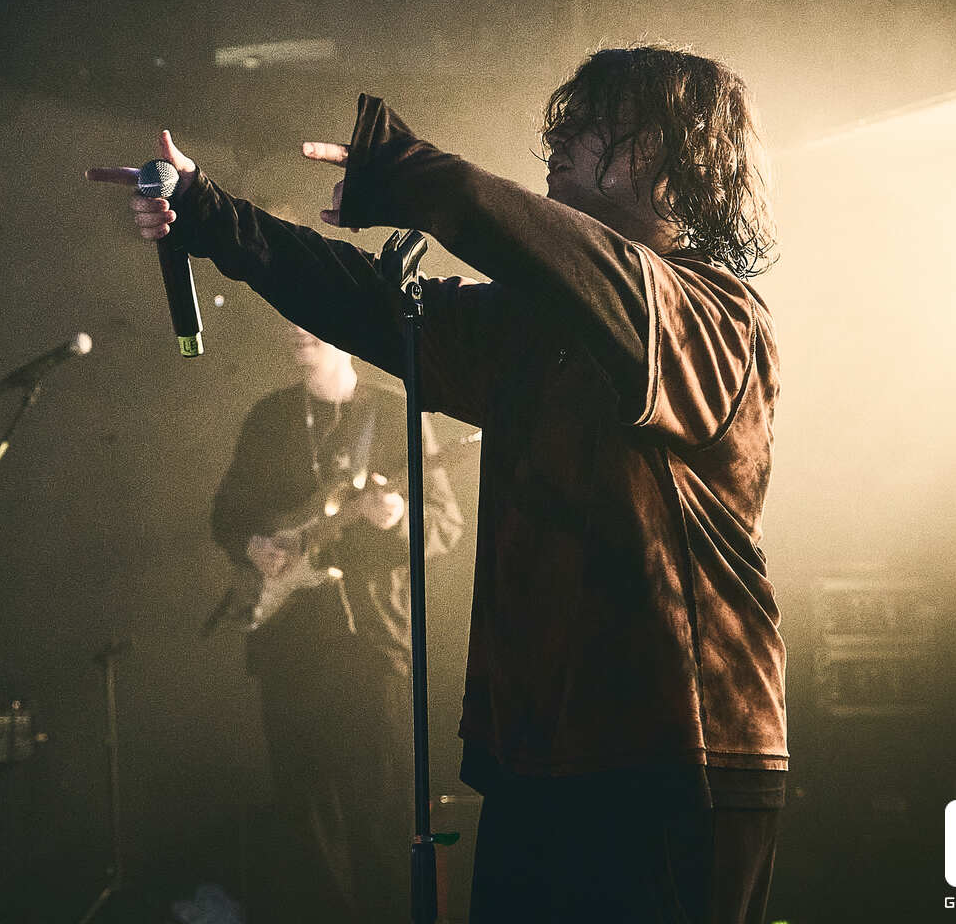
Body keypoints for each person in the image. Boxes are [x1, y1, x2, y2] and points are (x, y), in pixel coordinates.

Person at [90, 46, 785, 924]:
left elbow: (585, 265)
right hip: (538, 757)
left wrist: (410, 174)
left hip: (677, 753)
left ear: (666, 157)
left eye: (591, 124)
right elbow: (370, 303)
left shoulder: (716, 317)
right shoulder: (533, 332)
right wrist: (212, 215)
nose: (559, 138)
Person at [209, 314, 464, 920]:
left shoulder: (396, 412)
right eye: (290, 321)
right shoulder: (269, 418)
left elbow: (446, 526)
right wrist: (253, 544)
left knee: (383, 820)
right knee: (304, 826)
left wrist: (397, 519)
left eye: (312, 321)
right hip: (289, 648)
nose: (298, 330)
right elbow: (226, 513)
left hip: (371, 649)